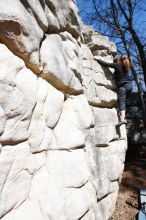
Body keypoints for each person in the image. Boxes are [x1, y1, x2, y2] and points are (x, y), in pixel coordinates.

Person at [96, 55, 132, 126]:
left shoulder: (117, 65)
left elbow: (106, 64)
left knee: (121, 102)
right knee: (122, 101)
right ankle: (121, 113)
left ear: (119, 60)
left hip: (123, 88)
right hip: (130, 87)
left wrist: (97, 59)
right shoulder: (127, 68)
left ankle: (122, 119)